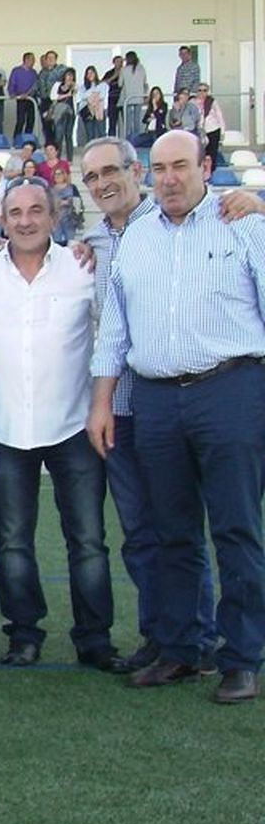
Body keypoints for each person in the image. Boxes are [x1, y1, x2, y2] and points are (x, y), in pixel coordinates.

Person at [88, 129, 265, 704]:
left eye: (180, 166)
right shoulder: (136, 240)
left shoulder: (243, 223)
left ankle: (241, 656)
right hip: (156, 398)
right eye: (160, 168)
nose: (169, 178)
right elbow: (114, 330)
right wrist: (102, 403)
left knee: (236, 528)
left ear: (205, 166)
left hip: (231, 389)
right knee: (172, 532)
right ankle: (182, 648)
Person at [0, 178, 121, 670]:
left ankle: (94, 640)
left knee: (89, 541)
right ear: (1, 220)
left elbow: (112, 333)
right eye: (15, 213)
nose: (25, 220)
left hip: (74, 426)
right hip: (5, 431)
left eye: (35, 211)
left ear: (54, 216)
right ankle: (23, 635)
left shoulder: (82, 268)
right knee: (12, 543)